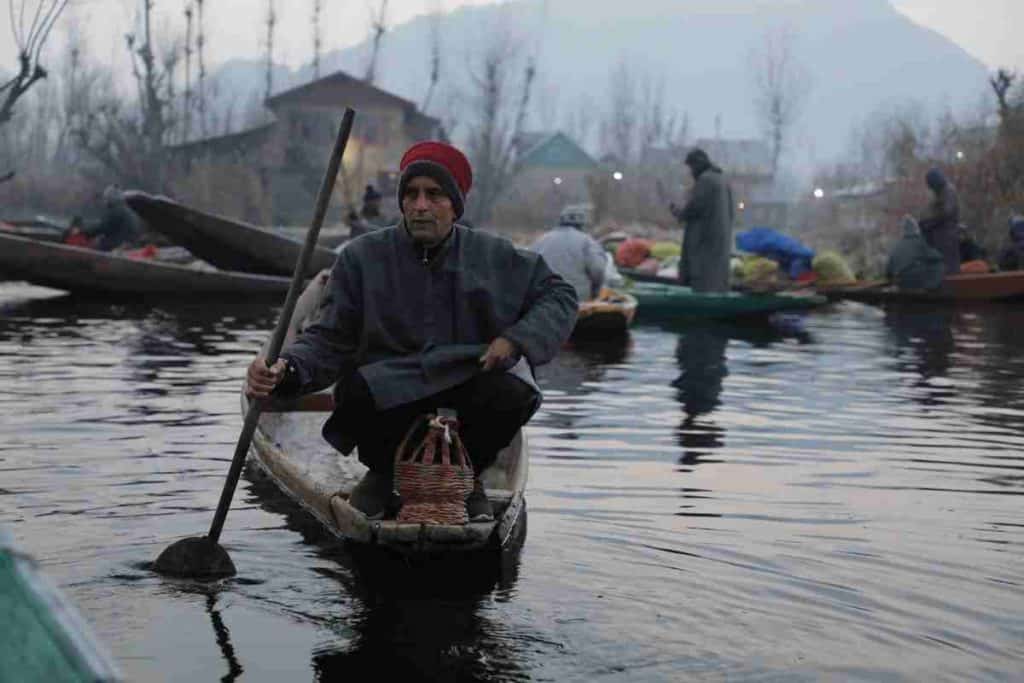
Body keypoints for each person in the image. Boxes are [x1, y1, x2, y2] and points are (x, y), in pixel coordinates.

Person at [246, 141, 578, 521]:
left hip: (466, 374)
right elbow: (329, 339)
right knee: (356, 391)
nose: (421, 205)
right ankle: (386, 472)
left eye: (434, 195)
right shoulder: (361, 258)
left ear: (454, 205)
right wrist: (286, 368)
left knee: (515, 390)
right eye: (411, 194)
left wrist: (515, 339)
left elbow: (560, 296)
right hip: (393, 380)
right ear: (401, 202)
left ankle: (468, 479)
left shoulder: (494, 256)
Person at [670, 148, 734, 292]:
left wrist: (678, 212)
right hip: (720, 240)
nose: (691, 172)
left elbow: (695, 207)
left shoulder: (706, 180)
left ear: (697, 165)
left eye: (691, 167)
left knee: (702, 276)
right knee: (716, 276)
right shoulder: (722, 179)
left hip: (705, 239)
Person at [530, 205, 607, 301]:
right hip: (575, 299)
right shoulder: (587, 241)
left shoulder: (540, 240)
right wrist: (595, 293)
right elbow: (598, 269)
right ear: (582, 224)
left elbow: (527, 269)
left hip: (542, 298)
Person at [918, 168, 960, 275]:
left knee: (948, 267)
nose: (931, 189)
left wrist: (929, 223)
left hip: (946, 235)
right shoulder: (941, 192)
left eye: (931, 186)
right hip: (940, 235)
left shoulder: (948, 191)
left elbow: (945, 213)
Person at [886, 216, 945, 290]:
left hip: (902, 283)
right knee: (939, 264)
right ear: (915, 229)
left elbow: (888, 271)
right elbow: (937, 257)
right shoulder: (919, 242)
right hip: (918, 282)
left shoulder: (896, 246)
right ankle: (932, 289)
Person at [84, 185, 141, 252]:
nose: (105, 201)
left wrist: (85, 231)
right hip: (128, 245)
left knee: (90, 250)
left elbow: (103, 227)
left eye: (106, 198)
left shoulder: (115, 211)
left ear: (110, 198)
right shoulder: (128, 211)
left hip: (115, 245)